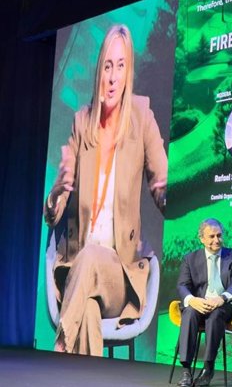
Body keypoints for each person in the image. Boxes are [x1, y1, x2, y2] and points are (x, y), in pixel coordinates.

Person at [44, 24, 167, 356]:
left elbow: (161, 182)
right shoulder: (82, 122)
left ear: (128, 73)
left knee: (95, 258)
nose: (113, 77)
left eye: (121, 65)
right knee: (88, 313)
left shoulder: (141, 115)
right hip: (77, 271)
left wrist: (172, 196)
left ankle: (60, 349)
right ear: (100, 71)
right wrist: (57, 193)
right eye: (108, 66)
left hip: (119, 276)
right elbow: (58, 205)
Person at [175, 218, 232, 387]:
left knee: (216, 314)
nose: (217, 240)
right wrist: (193, 300)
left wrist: (221, 299)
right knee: (189, 312)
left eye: (219, 235)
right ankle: (186, 370)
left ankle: (208, 368)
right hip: (200, 303)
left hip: (225, 305)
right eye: (212, 236)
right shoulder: (190, 259)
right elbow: (182, 285)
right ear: (202, 239)